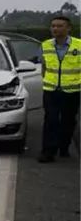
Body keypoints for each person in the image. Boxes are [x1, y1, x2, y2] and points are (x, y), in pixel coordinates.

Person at [38, 14, 81, 163]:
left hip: (72, 91)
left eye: (59, 26)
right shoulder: (45, 45)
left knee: (68, 121)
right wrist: (47, 80)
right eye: (53, 26)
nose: (55, 29)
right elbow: (44, 66)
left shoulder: (79, 45)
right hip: (51, 90)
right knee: (51, 120)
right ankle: (48, 151)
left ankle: (64, 147)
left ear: (68, 28)